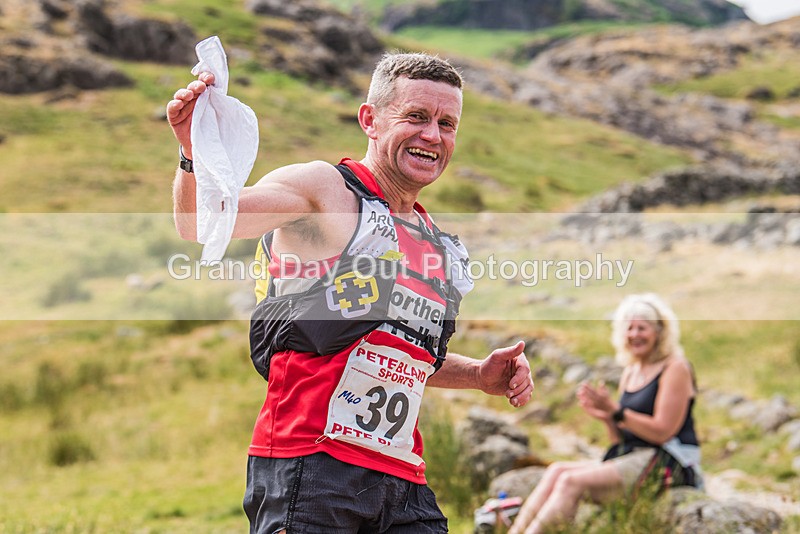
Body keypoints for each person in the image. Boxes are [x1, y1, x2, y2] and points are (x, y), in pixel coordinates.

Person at [167, 52, 534, 533]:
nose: (433, 136)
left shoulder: (434, 241)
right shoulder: (327, 191)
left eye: (447, 124)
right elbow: (201, 223)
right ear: (371, 120)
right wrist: (193, 149)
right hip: (310, 464)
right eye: (417, 117)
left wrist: (480, 375)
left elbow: (402, 353)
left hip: (402, 480)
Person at [509, 293, 701, 534]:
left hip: (669, 461)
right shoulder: (631, 371)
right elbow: (620, 442)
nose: (634, 335)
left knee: (571, 481)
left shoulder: (676, 367)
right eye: (629, 328)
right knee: (557, 470)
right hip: (634, 457)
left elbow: (662, 431)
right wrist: (607, 418)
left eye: (642, 328)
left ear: (660, 332)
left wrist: (615, 410)